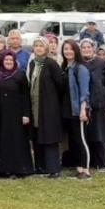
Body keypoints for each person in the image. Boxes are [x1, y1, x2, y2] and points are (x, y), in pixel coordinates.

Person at [27, 37, 66, 178]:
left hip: (49, 107)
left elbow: (60, 84)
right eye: (36, 45)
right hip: (35, 106)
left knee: (50, 137)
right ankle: (40, 166)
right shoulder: (32, 64)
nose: (38, 48)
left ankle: (53, 168)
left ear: (46, 48)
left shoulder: (51, 64)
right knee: (38, 136)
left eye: (41, 46)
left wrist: (53, 99)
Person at [0, 49, 34, 178]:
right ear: (2, 61)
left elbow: (26, 96)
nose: (8, 62)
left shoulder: (20, 75)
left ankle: (19, 169)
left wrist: (26, 114)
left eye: (11, 60)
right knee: (3, 140)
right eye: (6, 60)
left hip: (17, 114)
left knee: (16, 141)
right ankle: (3, 169)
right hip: (1, 113)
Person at [80, 39, 105, 171]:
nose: (86, 50)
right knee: (86, 134)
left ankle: (102, 163)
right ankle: (89, 161)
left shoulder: (103, 63)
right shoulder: (80, 63)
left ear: (93, 48)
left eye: (89, 47)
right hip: (85, 103)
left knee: (99, 134)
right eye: (84, 48)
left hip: (100, 103)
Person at [61, 39, 91, 180]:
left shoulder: (81, 68)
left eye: (70, 49)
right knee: (73, 140)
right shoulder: (66, 67)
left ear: (76, 51)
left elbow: (85, 92)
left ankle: (85, 169)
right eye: (65, 49)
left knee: (81, 139)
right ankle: (78, 167)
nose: (68, 51)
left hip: (78, 109)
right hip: (67, 109)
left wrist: (83, 110)